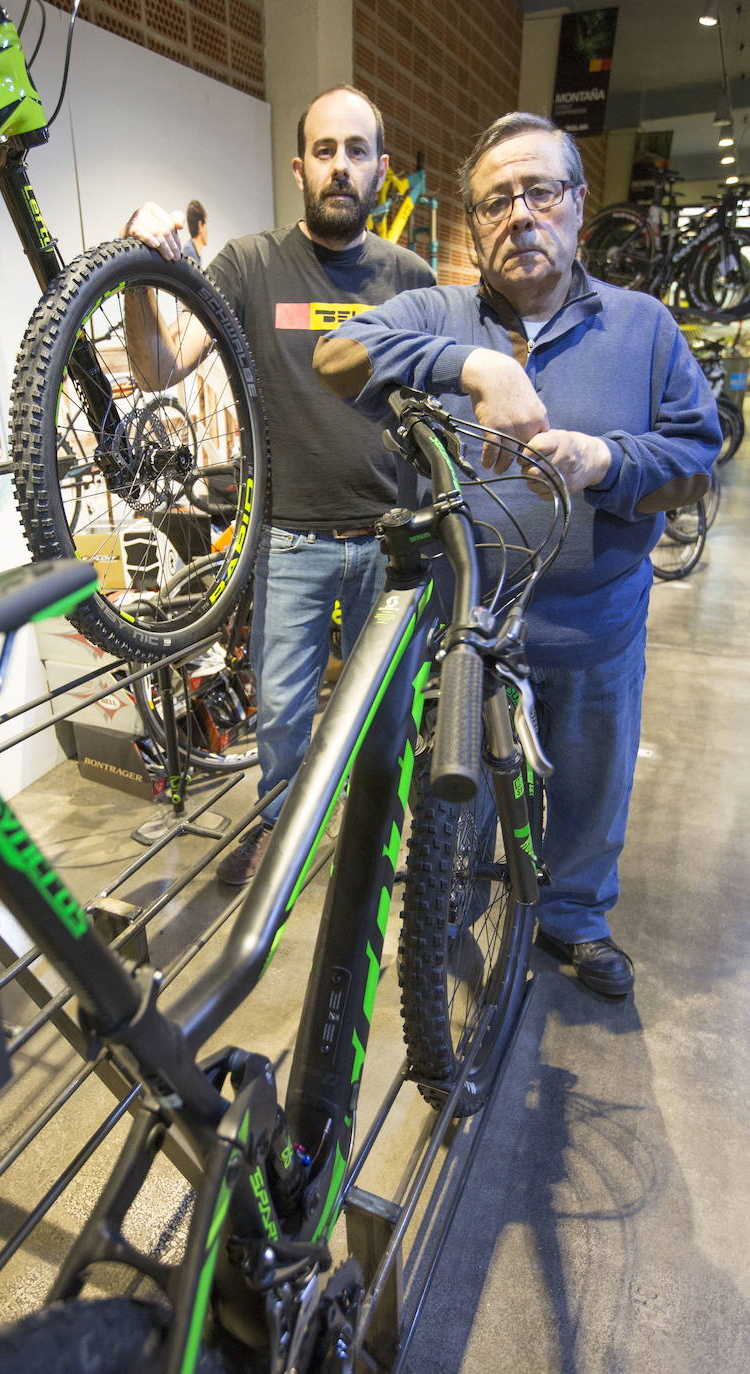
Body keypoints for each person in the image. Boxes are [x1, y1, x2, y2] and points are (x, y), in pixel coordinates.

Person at [314, 111, 719, 998]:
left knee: (587, 782)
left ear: (577, 205)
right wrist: (475, 366)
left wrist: (604, 461)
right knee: (452, 793)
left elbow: (695, 460)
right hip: (466, 627)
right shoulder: (440, 310)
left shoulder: (642, 328)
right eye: (496, 201)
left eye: (540, 191)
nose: (520, 215)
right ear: (473, 226)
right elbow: (337, 353)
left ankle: (573, 916)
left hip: (591, 624)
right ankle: (451, 903)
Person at [122, 85, 435, 884]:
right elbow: (160, 367)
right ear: (298, 167)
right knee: (284, 715)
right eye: (324, 151)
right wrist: (134, 272)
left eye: (356, 152)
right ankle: (278, 829)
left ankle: (378, 836)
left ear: (379, 169)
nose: (340, 168)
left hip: (392, 542)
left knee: (386, 716)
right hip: (290, 537)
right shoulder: (251, 265)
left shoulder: (410, 278)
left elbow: (444, 405)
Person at [182, 199, 207, 264]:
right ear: (200, 225)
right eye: (205, 225)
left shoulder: (196, 254)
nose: (207, 231)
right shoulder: (189, 251)